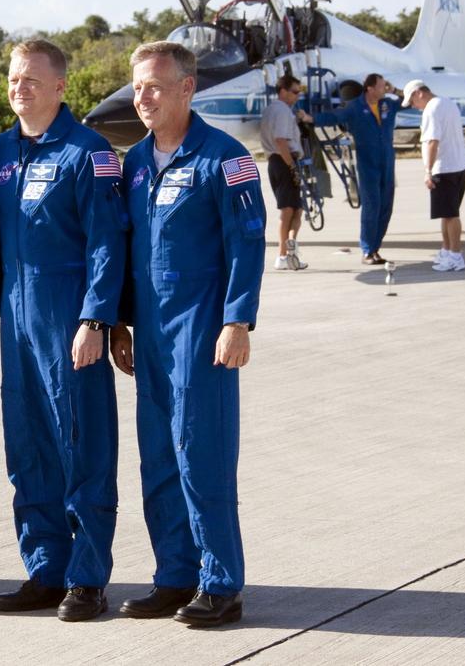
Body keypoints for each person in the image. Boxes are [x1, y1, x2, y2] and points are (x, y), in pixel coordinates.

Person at [109, 41, 266, 627]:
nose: (143, 97)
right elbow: (124, 252)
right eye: (138, 87)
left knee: (202, 458)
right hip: (148, 334)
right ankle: (174, 576)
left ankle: (221, 583)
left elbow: (247, 243)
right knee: (158, 462)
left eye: (155, 86)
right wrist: (120, 320)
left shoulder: (225, 159)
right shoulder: (132, 164)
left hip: (201, 331)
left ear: (186, 89)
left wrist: (237, 320)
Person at [0, 40, 126, 622]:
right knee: (29, 449)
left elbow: (108, 243)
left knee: (81, 445)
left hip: (70, 319)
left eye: (33, 80)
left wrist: (97, 317)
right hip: (17, 322)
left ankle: (87, 577)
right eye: (14, 78)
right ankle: (45, 569)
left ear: (61, 87)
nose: (20, 88)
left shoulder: (88, 153)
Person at [301, 73, 407, 264]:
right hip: (368, 163)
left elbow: (407, 101)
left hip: (387, 162)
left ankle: (375, 248)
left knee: (386, 207)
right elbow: (334, 117)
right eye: (382, 86)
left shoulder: (387, 105)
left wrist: (395, 90)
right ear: (370, 88)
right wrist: (311, 119)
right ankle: (367, 250)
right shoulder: (356, 108)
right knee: (371, 206)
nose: (385, 89)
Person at [403, 79, 465, 271]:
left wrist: (428, 171)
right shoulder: (448, 103)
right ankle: (447, 250)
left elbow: (432, 141)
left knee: (450, 214)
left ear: (419, 93)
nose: (414, 107)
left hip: (444, 168)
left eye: (413, 101)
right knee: (446, 214)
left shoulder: (431, 109)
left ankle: (456, 255)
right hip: (459, 166)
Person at [260, 74, 308, 271]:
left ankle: (291, 250)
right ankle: (283, 255)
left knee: (296, 209)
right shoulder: (281, 111)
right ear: (283, 91)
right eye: (295, 92)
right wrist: (292, 167)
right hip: (283, 160)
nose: (297, 96)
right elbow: (281, 141)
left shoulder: (278, 110)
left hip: (280, 160)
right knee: (289, 210)